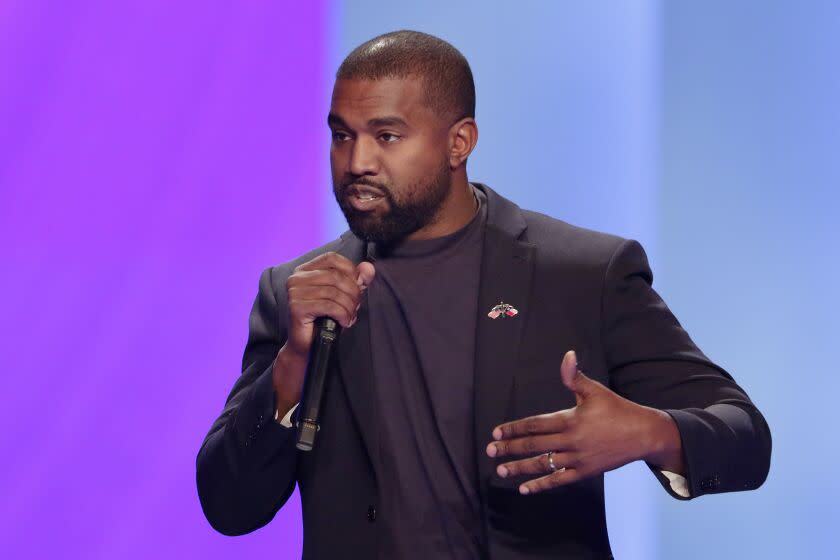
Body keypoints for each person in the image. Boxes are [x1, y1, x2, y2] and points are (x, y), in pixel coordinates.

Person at [196, 30, 771, 559]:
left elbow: (745, 437)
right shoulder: (297, 294)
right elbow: (229, 506)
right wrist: (292, 366)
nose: (357, 162)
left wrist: (649, 433)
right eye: (342, 136)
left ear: (459, 142)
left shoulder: (582, 273)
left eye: (387, 136)